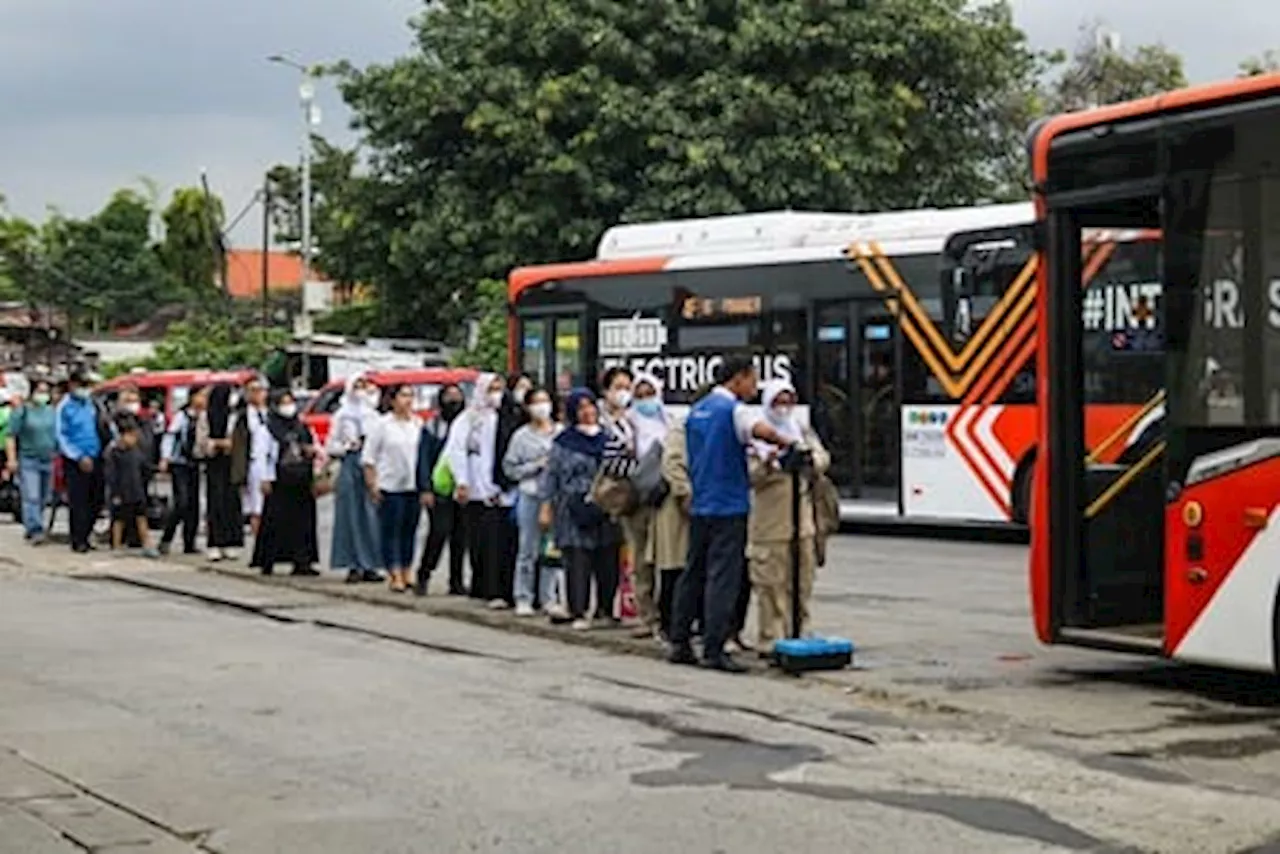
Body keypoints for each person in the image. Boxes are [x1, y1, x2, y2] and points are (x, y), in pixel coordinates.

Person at [667, 357, 797, 673]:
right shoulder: (734, 409)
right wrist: (785, 442)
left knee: (693, 573)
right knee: (722, 578)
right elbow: (759, 430)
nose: (754, 388)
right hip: (729, 504)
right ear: (738, 379)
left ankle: (680, 641)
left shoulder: (697, 410)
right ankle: (714, 647)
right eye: (752, 381)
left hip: (701, 504)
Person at [747, 379, 830, 656]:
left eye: (788, 400)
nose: (783, 407)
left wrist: (808, 460)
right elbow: (749, 476)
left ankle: (800, 632)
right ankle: (771, 639)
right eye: (777, 401)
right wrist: (770, 463)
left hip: (801, 523)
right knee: (771, 587)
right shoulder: (754, 434)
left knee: (802, 582)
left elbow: (821, 458)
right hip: (769, 525)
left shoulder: (800, 429)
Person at [540, 388, 622, 631]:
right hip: (572, 505)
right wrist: (546, 507)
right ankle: (578, 609)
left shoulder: (608, 438)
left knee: (608, 557)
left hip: (605, 503)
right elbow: (552, 476)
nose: (587, 412)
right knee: (577, 558)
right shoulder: (564, 442)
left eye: (590, 406)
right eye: (581, 408)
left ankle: (606, 609)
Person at [444, 372, 516, 608]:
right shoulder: (469, 419)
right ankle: (480, 585)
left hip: (500, 489)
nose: (495, 394)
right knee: (478, 541)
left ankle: (499, 587)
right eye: (491, 388)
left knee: (499, 541)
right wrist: (462, 480)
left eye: (499, 388)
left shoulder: (506, 416)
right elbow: (456, 450)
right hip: (474, 488)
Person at [502, 386, 561, 617]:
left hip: (555, 497)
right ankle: (523, 596)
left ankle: (548, 597)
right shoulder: (521, 436)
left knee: (551, 550)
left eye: (545, 401)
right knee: (528, 548)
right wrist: (536, 465)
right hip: (530, 494)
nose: (542, 407)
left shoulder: (559, 432)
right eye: (536, 402)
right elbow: (510, 468)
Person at [250, 391, 320, 577]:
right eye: (283, 403)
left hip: (301, 479)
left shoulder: (302, 426)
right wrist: (264, 478)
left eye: (290, 402)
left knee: (303, 522)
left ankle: (302, 561)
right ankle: (268, 560)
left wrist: (312, 454)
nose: (288, 407)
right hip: (279, 480)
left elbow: (315, 446)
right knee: (275, 521)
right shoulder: (268, 428)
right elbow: (260, 455)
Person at [621, 372, 670, 638]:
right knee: (641, 560)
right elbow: (615, 461)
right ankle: (645, 614)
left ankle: (667, 615)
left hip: (665, 500)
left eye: (648, 394)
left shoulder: (669, 421)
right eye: (639, 395)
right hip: (637, 501)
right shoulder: (627, 424)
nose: (644, 400)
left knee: (665, 558)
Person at [363, 384, 424, 592]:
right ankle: (394, 572)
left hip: (413, 485)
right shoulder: (382, 425)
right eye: (403, 395)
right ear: (392, 400)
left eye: (410, 395)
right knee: (391, 530)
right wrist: (372, 484)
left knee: (410, 529)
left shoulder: (417, 423)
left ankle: (407, 569)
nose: (408, 400)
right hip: (390, 485)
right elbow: (369, 458)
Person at [327, 374, 383, 584]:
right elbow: (331, 445)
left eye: (364, 386)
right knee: (350, 515)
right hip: (350, 465)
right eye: (357, 386)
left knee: (371, 515)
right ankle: (352, 564)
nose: (361, 390)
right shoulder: (342, 416)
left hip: (370, 466)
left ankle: (371, 564)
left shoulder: (374, 416)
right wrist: (347, 446)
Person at [417, 383, 468, 595]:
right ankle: (424, 573)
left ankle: (456, 581)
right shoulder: (432, 427)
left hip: (462, 488)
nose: (454, 401)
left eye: (458, 396)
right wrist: (425, 488)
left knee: (460, 536)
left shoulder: (466, 425)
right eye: (449, 396)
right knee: (439, 531)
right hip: (439, 488)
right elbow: (423, 459)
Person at [56, 370, 104, 554]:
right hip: (75, 460)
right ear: (72, 385)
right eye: (82, 385)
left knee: (96, 499)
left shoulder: (92, 404)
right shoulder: (65, 407)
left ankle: (87, 533)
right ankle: (78, 539)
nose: (85, 389)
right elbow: (61, 435)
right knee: (79, 501)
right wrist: (77, 456)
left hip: (96, 456)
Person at [196, 384, 244, 560]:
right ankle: (215, 542)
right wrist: (218, 444)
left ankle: (232, 542)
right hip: (214, 464)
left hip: (231, 463)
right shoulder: (205, 416)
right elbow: (201, 443)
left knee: (232, 501)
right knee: (215, 502)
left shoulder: (235, 416)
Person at [7, 380, 57, 544]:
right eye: (40, 391)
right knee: (32, 496)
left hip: (48, 459)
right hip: (29, 459)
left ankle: (32, 524)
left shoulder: (51, 411)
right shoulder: (22, 411)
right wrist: (12, 459)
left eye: (46, 391)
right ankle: (35, 529)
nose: (43, 395)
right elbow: (11, 436)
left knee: (44, 497)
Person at [158, 386, 206, 555]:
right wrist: (165, 458)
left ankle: (189, 542)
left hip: (196, 463)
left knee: (194, 504)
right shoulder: (182, 416)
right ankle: (166, 538)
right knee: (181, 502)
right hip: (180, 463)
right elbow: (170, 437)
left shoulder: (204, 417)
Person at [104, 416, 158, 557]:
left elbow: (144, 468)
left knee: (141, 517)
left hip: (137, 490)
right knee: (119, 520)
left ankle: (147, 544)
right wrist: (114, 493)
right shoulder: (114, 453)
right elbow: (111, 475)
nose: (134, 440)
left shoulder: (136, 452)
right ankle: (116, 545)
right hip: (121, 492)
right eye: (131, 436)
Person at [242, 378, 272, 538]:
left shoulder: (271, 414)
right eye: (253, 390)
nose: (257, 394)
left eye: (260, 390)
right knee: (256, 504)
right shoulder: (242, 416)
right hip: (254, 462)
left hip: (271, 462)